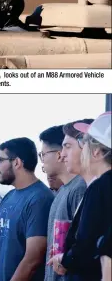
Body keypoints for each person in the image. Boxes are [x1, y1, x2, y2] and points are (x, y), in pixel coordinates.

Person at [49, 112, 112, 281]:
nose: (62, 155)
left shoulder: (99, 187)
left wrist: (66, 259)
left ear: (97, 151)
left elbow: (88, 248)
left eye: (85, 144)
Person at [0, 137, 54, 281]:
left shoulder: (40, 199)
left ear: (17, 162)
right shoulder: (9, 196)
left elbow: (33, 259)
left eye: (0, 161)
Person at [43, 120, 93, 281]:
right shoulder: (63, 190)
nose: (62, 154)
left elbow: (87, 248)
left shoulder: (81, 189)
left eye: (43, 154)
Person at [39, 125, 65, 194]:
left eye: (43, 154)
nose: (42, 161)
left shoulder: (78, 189)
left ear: (59, 155)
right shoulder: (62, 191)